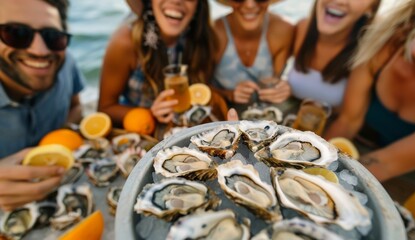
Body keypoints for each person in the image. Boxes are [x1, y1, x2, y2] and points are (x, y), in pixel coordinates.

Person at [324, 0, 415, 182]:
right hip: (363, 159)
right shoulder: (388, 39)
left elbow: (385, 164)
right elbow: (348, 121)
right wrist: (313, 160)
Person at [98, 0, 227, 139]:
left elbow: (201, 90)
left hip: (180, 133)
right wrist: (150, 114)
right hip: (141, 136)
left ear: (198, 6)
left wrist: (229, 94)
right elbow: (105, 109)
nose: (177, 1)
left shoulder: (202, 39)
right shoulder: (125, 41)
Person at [0, 0, 84, 211]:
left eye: (53, 37)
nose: (40, 51)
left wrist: (63, 136)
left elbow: (76, 106)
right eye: (16, 33)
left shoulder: (65, 64)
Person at [288, 0, 380, 110]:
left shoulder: (369, 52)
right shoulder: (302, 27)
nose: (339, 1)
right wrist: (283, 89)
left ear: (371, 8)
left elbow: (350, 121)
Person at [210, 0, 293, 114]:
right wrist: (229, 94)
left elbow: (280, 79)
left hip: (265, 116)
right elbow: (199, 85)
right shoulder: (213, 32)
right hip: (222, 115)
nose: (249, 5)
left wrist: (284, 88)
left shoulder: (283, 29)